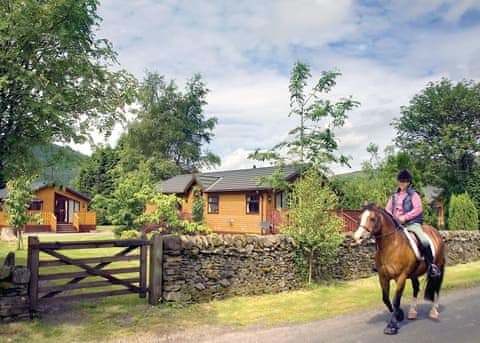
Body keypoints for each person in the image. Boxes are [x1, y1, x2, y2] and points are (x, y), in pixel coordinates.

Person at [386, 169, 441, 278]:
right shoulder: (393, 195)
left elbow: (418, 209)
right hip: (396, 225)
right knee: (382, 239)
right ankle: (382, 263)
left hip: (412, 224)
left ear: (409, 182)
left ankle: (431, 266)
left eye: (405, 181)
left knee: (424, 240)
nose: (402, 183)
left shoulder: (414, 195)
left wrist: (405, 217)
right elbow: (387, 209)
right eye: (400, 181)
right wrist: (391, 218)